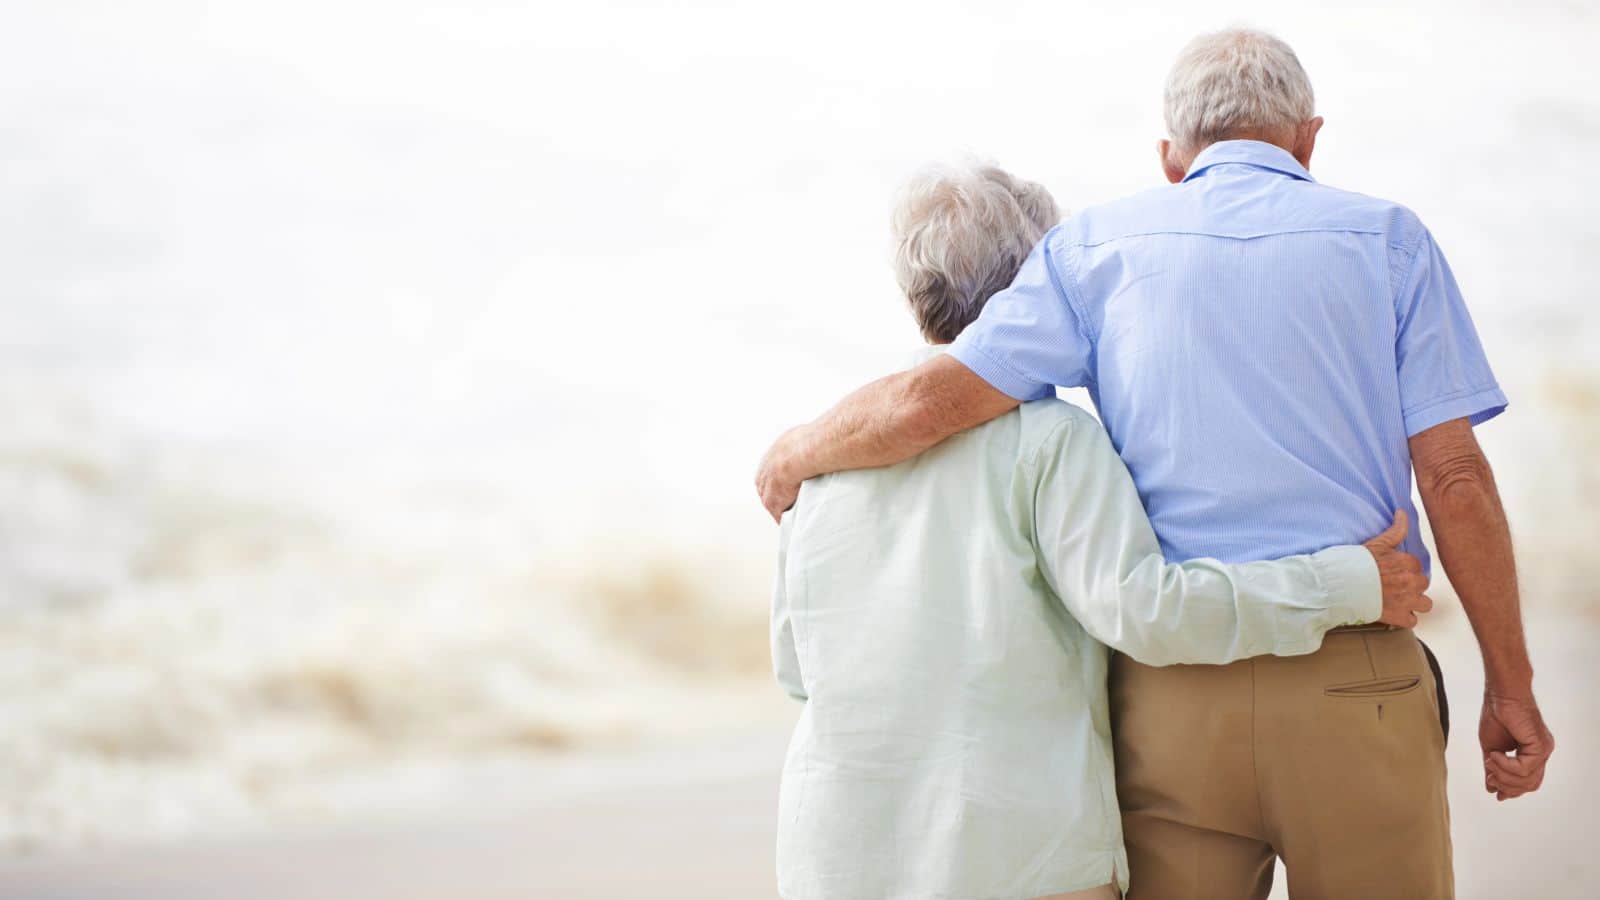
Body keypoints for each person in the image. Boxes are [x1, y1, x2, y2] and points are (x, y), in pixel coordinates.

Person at [757, 29, 1553, 899]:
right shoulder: (1391, 243)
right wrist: (1509, 685)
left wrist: (799, 454)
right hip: (1354, 675)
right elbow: (1455, 479)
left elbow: (933, 405)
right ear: (1308, 139)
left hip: (1173, 699)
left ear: (1172, 157)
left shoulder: (1091, 252)